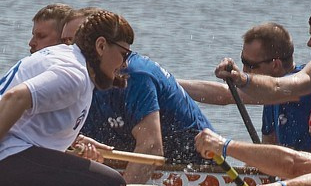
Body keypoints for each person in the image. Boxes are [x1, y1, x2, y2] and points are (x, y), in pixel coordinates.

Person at [0, 6, 134, 186]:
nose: (124, 64)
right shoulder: (73, 74)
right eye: (124, 54)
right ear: (101, 46)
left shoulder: (65, 58)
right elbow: (15, 98)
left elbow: (34, 119)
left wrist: (76, 141)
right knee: (111, 185)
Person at [85, 37, 218, 174]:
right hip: (135, 152)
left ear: (100, 46)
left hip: (194, 161)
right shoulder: (76, 76)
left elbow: (151, 148)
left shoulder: (135, 76)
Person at [181, 21, 311, 148]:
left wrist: (165, 82)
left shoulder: (306, 87)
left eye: (251, 65)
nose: (244, 70)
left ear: (276, 65)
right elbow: (267, 149)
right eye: (243, 61)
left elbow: (225, 95)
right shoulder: (268, 97)